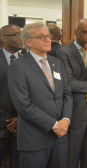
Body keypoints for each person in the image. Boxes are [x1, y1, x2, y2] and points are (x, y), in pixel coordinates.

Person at [7, 22, 72, 168]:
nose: (47, 39)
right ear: (28, 42)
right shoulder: (18, 66)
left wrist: (66, 120)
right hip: (34, 141)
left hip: (60, 139)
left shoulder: (57, 63)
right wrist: (54, 125)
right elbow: (23, 105)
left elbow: (67, 94)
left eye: (48, 36)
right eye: (41, 37)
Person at [56, 18, 87, 168]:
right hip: (75, 113)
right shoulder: (63, 52)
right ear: (75, 31)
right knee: (71, 158)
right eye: (85, 33)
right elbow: (69, 83)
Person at [0, 24, 23, 168]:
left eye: (21, 34)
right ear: (3, 38)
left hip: (22, 125)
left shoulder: (27, 61)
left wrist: (21, 118)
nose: (20, 38)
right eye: (16, 35)